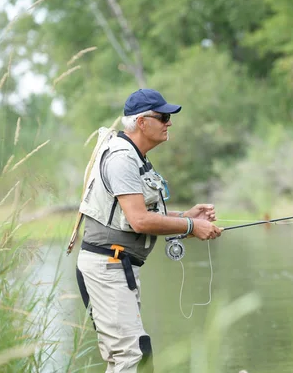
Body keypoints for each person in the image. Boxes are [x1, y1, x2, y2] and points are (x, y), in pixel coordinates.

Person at [75, 88, 223, 373]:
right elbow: (140, 221)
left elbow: (138, 216)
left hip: (118, 267)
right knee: (131, 356)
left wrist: (187, 216)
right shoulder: (121, 159)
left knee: (129, 355)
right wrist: (192, 225)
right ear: (142, 122)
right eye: (164, 117)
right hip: (108, 267)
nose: (169, 123)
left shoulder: (135, 156)